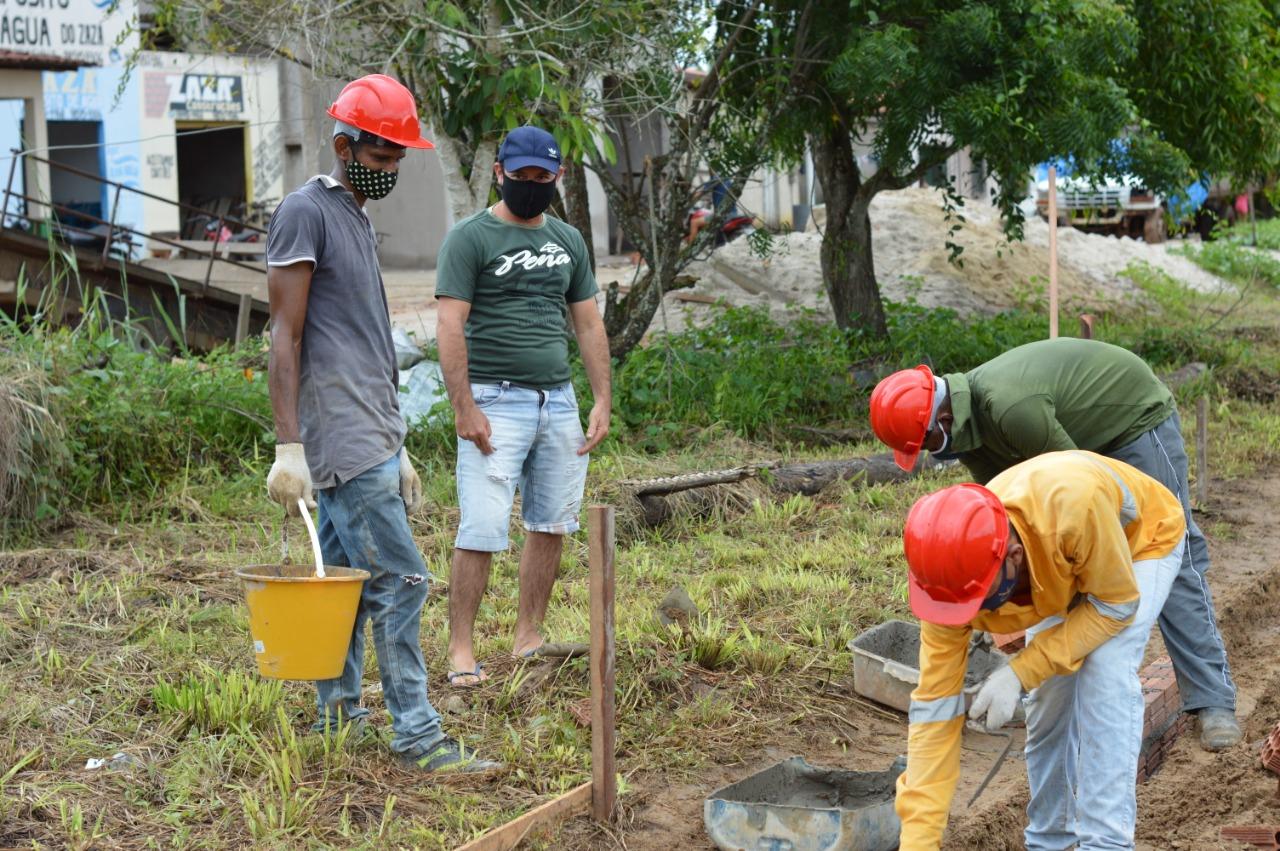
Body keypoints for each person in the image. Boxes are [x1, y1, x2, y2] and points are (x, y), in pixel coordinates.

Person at [264, 74, 498, 772]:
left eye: (400, 157)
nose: (393, 167)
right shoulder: (305, 212)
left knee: (343, 579)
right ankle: (419, 735)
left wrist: (397, 448)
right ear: (344, 144)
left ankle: (338, 713)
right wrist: (289, 443)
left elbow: (363, 342)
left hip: (368, 433)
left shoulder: (356, 217)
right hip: (339, 433)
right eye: (384, 154)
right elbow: (285, 332)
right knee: (402, 580)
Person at [869, 337, 1241, 750]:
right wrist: (991, 608)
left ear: (939, 421)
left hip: (1130, 421)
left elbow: (1077, 492)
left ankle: (1212, 699)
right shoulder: (970, 433)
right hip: (1075, 444)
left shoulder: (1010, 409)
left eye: (923, 445)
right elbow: (1014, 521)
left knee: (1173, 554)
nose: (926, 455)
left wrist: (1084, 613)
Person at [895, 451, 1187, 849]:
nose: (969, 618)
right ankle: (1050, 839)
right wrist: (918, 843)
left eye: (980, 603)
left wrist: (1019, 671)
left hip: (1139, 543)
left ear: (1013, 558)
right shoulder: (950, 584)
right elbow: (934, 715)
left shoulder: (1071, 510)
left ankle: (1105, 842)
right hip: (1063, 566)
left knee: (1105, 670)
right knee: (1049, 694)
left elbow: (1115, 606)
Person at [434, 125, 612, 686]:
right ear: (499, 174)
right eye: (521, 177)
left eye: (542, 178)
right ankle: (461, 648)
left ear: (557, 177)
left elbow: (586, 322)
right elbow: (449, 324)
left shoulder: (568, 240)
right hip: (494, 399)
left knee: (551, 521)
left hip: (557, 400)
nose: (531, 186)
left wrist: (602, 397)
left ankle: (528, 636)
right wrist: (464, 406)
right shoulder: (471, 238)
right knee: (482, 526)